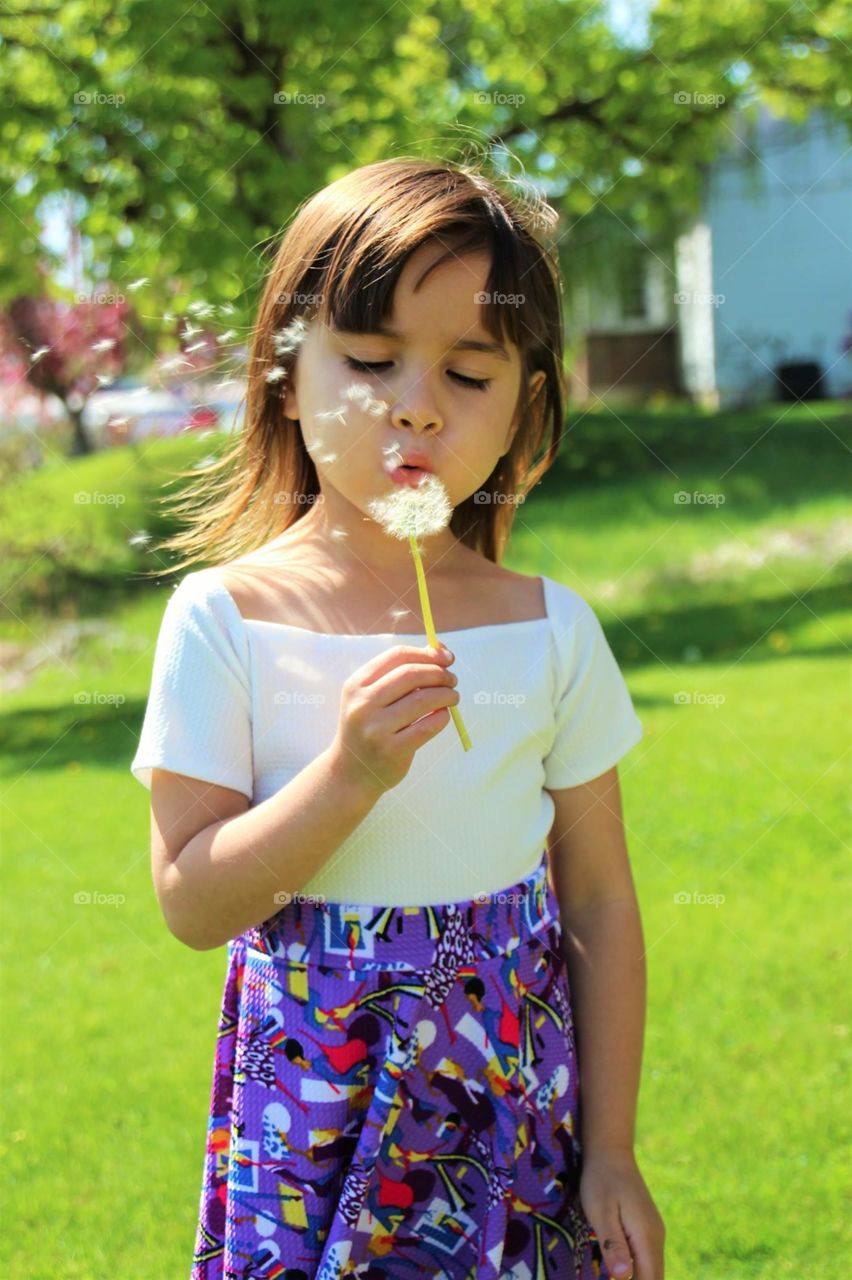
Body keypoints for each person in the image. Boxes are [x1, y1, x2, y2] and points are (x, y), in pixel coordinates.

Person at [130, 156, 665, 1280]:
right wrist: (347, 775)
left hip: (510, 1110)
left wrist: (611, 1150)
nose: (417, 402)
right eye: (371, 360)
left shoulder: (550, 628)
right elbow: (191, 898)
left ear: (527, 397)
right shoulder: (224, 618)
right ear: (284, 373)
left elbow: (603, 900)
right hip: (313, 1118)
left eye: (469, 373)